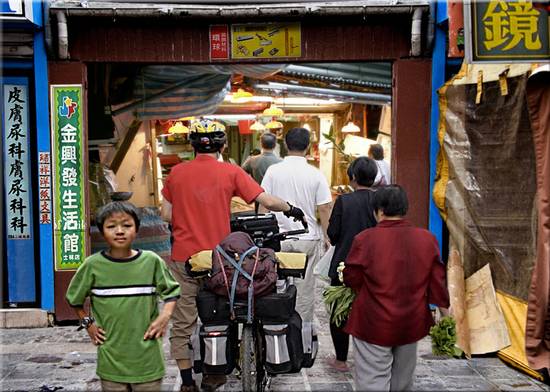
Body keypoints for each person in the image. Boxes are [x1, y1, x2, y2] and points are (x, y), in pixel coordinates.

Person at [160, 119, 305, 392]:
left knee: (183, 320)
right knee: (224, 312)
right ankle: (216, 372)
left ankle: (188, 381)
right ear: (222, 145)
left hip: (184, 258)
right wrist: (291, 209)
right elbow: (267, 201)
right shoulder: (230, 171)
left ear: (192, 146)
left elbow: (165, 213)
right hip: (221, 260)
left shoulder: (176, 173)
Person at [343, 185, 449, 391]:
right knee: (402, 382)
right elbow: (437, 281)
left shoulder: (365, 239)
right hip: (411, 322)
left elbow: (352, 278)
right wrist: (446, 314)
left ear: (379, 211)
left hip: (373, 322)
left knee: (372, 380)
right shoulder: (427, 239)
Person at [66, 201, 181, 392]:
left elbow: (172, 292)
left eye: (126, 225)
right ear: (102, 231)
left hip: (148, 361)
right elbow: (74, 300)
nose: (120, 231)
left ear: (136, 229)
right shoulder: (92, 266)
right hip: (111, 361)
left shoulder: (151, 262)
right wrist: (88, 325)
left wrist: (165, 316)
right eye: (111, 226)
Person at [261, 127, 332, 333]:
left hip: (277, 239)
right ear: (308, 146)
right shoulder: (315, 174)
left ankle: (275, 328)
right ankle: (301, 334)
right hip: (306, 239)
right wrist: (328, 236)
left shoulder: (273, 171)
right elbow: (325, 208)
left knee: (274, 284)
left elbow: (263, 203)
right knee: (305, 289)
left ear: (285, 145)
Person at [326, 156, 378, 372]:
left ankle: (341, 360)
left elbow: (333, 234)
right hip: (375, 265)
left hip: (344, 264)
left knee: (339, 311)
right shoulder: (381, 201)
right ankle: (372, 359)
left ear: (353, 177)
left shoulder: (344, 201)